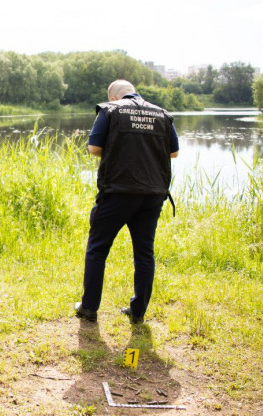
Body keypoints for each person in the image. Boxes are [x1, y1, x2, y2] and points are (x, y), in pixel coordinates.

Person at [75, 79, 179, 324]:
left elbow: (93, 147)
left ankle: (89, 308)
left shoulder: (110, 110)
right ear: (133, 92)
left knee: (98, 248)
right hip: (152, 194)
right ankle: (138, 311)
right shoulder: (162, 114)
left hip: (118, 191)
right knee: (144, 252)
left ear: (114, 97)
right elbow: (173, 153)